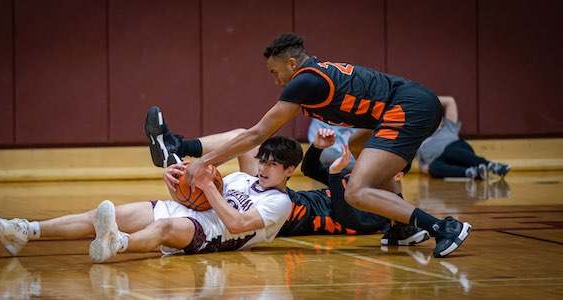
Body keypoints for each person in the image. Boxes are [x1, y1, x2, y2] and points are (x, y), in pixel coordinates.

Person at [176, 32, 470, 258]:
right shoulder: (314, 75)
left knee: (355, 191)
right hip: (404, 106)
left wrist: (204, 161)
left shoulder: (305, 81)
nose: (275, 80)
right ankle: (403, 226)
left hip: (408, 107)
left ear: (292, 64)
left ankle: (443, 227)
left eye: (275, 72)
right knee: (356, 146)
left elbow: (256, 135)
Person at [0, 135, 303, 263]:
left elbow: (235, 223)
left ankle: (118, 243)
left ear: (289, 170)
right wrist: (176, 185)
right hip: (185, 212)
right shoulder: (240, 178)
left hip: (212, 235)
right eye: (263, 161)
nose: (263, 168)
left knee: (164, 227)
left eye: (273, 164)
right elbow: (197, 200)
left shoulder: (280, 202)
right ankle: (24, 231)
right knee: (98, 213)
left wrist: (206, 188)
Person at [147, 106, 430, 246]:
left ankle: (178, 153)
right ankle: (176, 147)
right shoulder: (360, 183)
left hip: (278, 214)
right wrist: (318, 149)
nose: (372, 165)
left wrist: (334, 175)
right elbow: (310, 169)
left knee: (247, 143)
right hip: (278, 195)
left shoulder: (384, 212)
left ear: (398, 175)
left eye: (382, 165)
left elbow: (346, 217)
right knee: (243, 138)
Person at [417, 96, 510, 180]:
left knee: (450, 151)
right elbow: (422, 167)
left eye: (436, 118)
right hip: (446, 164)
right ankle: (473, 173)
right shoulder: (419, 141)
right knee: (433, 167)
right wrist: (429, 169)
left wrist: (425, 101)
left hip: (457, 151)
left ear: (443, 120)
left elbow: (450, 101)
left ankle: (491, 166)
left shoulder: (448, 128)